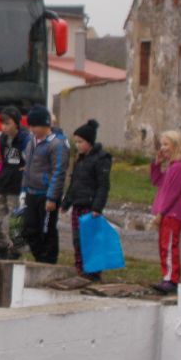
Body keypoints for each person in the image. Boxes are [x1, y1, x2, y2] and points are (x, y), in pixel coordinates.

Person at [61, 119, 112, 281]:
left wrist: (97, 207)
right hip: (78, 204)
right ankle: (80, 267)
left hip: (90, 207)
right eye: (75, 142)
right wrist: (66, 202)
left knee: (91, 239)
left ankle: (94, 271)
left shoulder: (100, 159)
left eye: (80, 142)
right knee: (77, 239)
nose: (77, 145)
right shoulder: (79, 160)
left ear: (89, 142)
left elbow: (103, 186)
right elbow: (73, 184)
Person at [20, 104, 68, 264]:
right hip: (31, 192)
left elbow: (59, 171)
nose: (32, 130)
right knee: (29, 229)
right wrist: (24, 188)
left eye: (35, 126)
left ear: (45, 125)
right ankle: (40, 257)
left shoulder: (57, 144)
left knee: (47, 230)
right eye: (30, 126)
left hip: (46, 194)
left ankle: (49, 260)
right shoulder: (32, 141)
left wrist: (52, 197)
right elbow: (28, 166)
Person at [150, 130, 181, 294]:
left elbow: (172, 194)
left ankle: (171, 279)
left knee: (169, 245)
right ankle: (167, 276)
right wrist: (156, 165)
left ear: (176, 145)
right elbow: (156, 181)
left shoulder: (180, 168)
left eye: (166, 144)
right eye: (162, 144)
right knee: (163, 245)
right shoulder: (172, 167)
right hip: (167, 213)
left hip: (172, 213)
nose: (162, 148)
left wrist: (161, 212)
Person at [0, 106, 30, 259]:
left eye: (8, 123)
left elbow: (30, 160)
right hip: (2, 184)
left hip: (17, 187)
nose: (4, 127)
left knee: (15, 222)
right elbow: (2, 160)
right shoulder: (3, 139)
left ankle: (16, 250)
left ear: (16, 123)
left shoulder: (25, 139)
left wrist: (26, 169)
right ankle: (2, 246)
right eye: (2, 123)